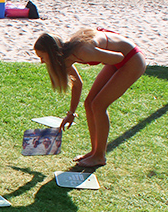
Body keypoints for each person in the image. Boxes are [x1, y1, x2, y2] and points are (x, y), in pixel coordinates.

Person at [34, 28, 146, 167]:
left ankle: (100, 156)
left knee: (99, 105)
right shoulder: (65, 56)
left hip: (132, 60)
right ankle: (94, 152)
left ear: (51, 53)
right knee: (89, 104)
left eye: (42, 57)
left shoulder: (82, 51)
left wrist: (98, 54)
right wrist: (71, 113)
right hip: (118, 61)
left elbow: (119, 57)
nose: (42, 62)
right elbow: (77, 84)